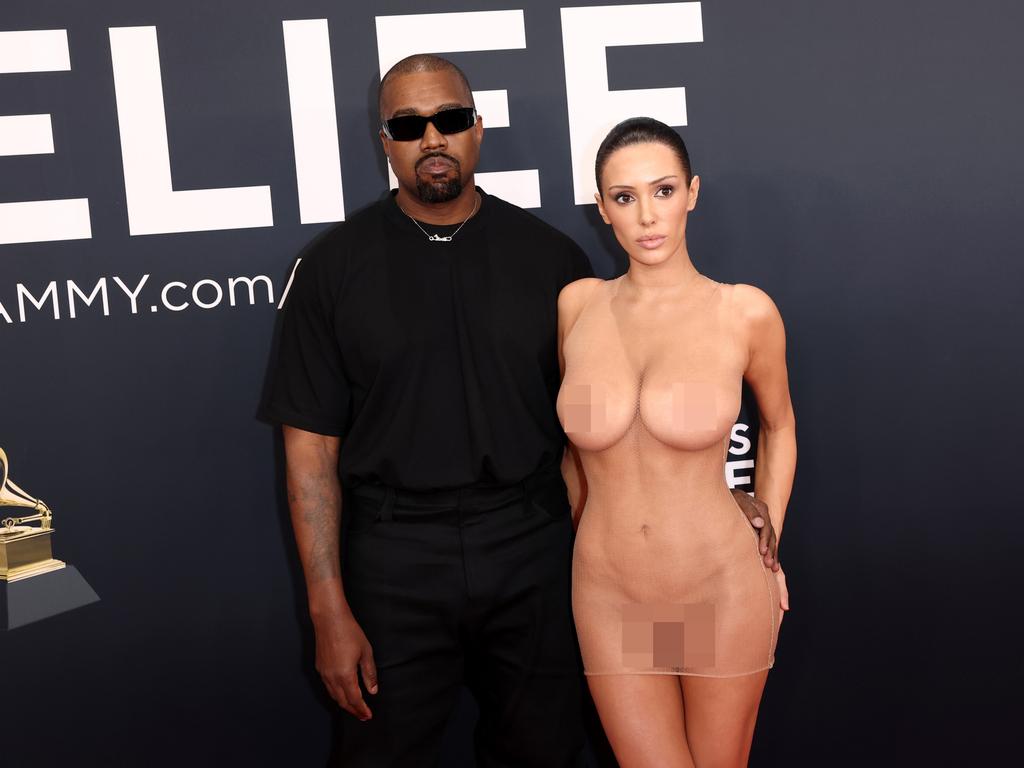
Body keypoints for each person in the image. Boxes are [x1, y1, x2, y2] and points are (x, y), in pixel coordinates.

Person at [263, 54, 778, 767]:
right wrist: (326, 607)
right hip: (394, 562)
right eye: (409, 126)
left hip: (537, 554)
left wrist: (735, 500)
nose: (431, 138)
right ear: (386, 142)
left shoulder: (556, 267)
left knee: (548, 751)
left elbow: (609, 432)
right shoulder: (330, 268)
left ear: (477, 128)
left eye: (448, 119)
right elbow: (308, 447)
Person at [557, 117, 795, 768]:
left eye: (662, 191)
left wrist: (769, 527)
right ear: (603, 209)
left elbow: (779, 427)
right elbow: (576, 456)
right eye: (625, 197)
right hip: (611, 599)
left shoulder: (744, 312)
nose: (646, 216)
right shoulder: (576, 307)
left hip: (717, 589)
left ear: (691, 192)